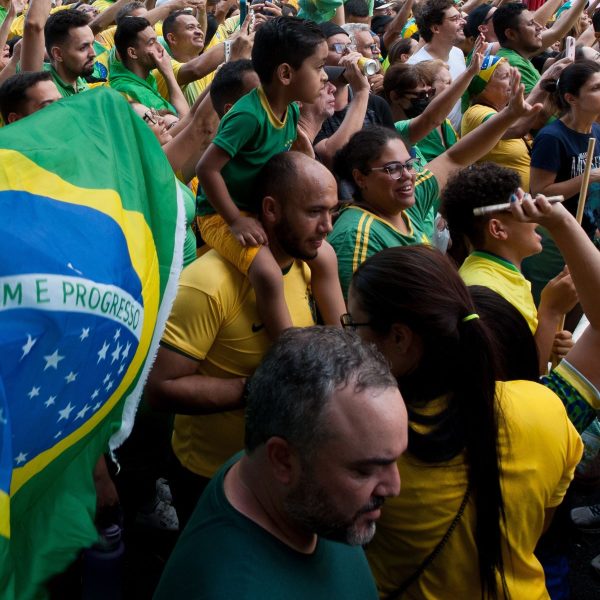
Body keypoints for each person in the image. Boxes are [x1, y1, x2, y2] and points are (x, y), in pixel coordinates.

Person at [345, 242, 582, 599]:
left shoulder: (366, 443)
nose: (351, 338)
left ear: (399, 337)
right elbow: (539, 526)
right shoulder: (544, 406)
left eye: (354, 324)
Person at [146, 152, 337, 528]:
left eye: (333, 211)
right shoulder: (207, 283)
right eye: (315, 212)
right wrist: (259, 389)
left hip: (282, 469)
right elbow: (161, 388)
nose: (328, 226)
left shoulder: (307, 262)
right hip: (211, 478)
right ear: (271, 209)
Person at [154, 326, 408, 599]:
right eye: (364, 469)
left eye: (394, 460)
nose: (394, 487)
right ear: (282, 460)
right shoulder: (230, 588)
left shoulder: (275, 481)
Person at [196, 16, 345, 341]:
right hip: (220, 214)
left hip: (260, 207)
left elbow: (293, 151)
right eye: (319, 68)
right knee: (266, 272)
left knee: (326, 257)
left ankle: (342, 340)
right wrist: (235, 220)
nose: (324, 78)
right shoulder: (249, 115)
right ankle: (288, 350)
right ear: (286, 74)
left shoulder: (290, 110)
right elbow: (206, 169)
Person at [329, 69, 540, 296]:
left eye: (409, 165)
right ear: (360, 178)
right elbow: (361, 316)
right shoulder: (356, 237)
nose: (408, 175)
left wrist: (509, 115)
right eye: (393, 169)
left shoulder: (408, 199)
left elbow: (455, 157)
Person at [441, 162, 577, 373]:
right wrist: (551, 312)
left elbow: (522, 348)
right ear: (497, 229)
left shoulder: (497, 271)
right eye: (523, 209)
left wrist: (549, 340)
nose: (535, 218)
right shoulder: (484, 291)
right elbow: (524, 377)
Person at [524, 59, 600, 301]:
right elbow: (540, 193)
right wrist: (588, 177)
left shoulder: (597, 132)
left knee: (586, 304)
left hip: (588, 232)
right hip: (555, 240)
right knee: (552, 305)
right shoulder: (552, 137)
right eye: (595, 88)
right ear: (571, 98)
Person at [461, 56, 533, 191]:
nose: (512, 80)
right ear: (483, 87)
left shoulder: (503, 112)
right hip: (500, 205)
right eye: (505, 76)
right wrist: (543, 85)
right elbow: (515, 129)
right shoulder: (475, 112)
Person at [493, 0, 586, 94]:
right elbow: (535, 107)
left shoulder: (517, 55)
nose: (539, 27)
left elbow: (556, 31)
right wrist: (551, 78)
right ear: (511, 34)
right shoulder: (513, 64)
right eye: (530, 24)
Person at [109, 16, 189, 116]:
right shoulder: (129, 90)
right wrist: (169, 74)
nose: (160, 48)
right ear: (133, 53)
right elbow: (183, 123)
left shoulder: (145, 79)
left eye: (157, 41)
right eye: (151, 43)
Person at [407, 0, 467, 130]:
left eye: (461, 17)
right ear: (435, 28)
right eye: (455, 19)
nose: (463, 22)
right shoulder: (415, 66)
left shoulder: (458, 53)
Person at [43, 9, 96, 96]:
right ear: (58, 54)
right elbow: (33, 25)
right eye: (83, 48)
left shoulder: (81, 85)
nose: (93, 53)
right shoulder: (42, 84)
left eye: (92, 44)